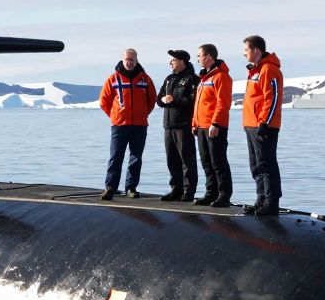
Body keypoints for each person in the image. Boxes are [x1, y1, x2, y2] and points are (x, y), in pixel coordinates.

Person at [98, 48, 157, 200]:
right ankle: (110, 187)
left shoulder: (145, 79)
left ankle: (131, 187)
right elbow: (104, 101)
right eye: (127, 60)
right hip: (119, 125)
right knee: (116, 156)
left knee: (136, 157)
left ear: (136, 60)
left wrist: (142, 114)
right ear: (122, 60)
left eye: (132, 60)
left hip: (139, 125)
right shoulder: (113, 79)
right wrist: (114, 115)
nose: (129, 62)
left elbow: (151, 100)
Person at [241, 35, 284, 216]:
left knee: (266, 164)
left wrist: (264, 122)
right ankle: (261, 199)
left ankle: (271, 201)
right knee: (256, 165)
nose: (244, 54)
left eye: (246, 50)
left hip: (264, 125)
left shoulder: (269, 70)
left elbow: (272, 97)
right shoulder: (255, 71)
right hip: (251, 124)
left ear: (256, 50)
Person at [191, 43, 233, 207]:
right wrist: (194, 123)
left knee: (218, 162)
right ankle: (211, 192)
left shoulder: (221, 77)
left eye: (199, 56)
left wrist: (215, 123)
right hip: (201, 126)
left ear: (208, 57)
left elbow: (223, 103)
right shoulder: (204, 78)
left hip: (214, 127)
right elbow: (199, 104)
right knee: (206, 162)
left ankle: (224, 195)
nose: (198, 59)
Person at [157, 49, 199, 201]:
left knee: (187, 160)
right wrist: (164, 100)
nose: (170, 63)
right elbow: (159, 99)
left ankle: (189, 191)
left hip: (183, 125)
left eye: (173, 60)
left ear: (182, 61)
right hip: (168, 126)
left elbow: (192, 102)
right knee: (172, 159)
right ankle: (176, 188)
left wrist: (173, 100)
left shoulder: (192, 79)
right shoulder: (169, 78)